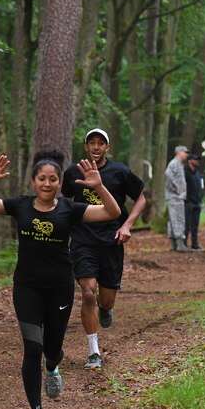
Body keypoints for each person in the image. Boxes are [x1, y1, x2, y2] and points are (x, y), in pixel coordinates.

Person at [0, 149, 120, 409]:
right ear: (33, 182)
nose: (47, 184)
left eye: (53, 179)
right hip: (27, 287)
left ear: (60, 183)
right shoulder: (20, 206)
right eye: (42, 179)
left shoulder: (69, 209)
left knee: (51, 349)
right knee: (32, 348)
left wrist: (99, 186)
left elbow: (112, 212)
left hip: (60, 287)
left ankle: (53, 366)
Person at [61, 128, 147, 370]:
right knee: (88, 293)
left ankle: (106, 308)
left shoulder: (119, 172)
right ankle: (93, 353)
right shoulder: (72, 173)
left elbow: (141, 198)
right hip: (82, 241)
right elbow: (66, 201)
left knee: (106, 301)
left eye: (101, 143)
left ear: (107, 148)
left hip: (111, 242)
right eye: (92, 143)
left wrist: (127, 225)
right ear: (86, 147)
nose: (96, 147)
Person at [164, 145, 190, 252]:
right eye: (185, 152)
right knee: (178, 218)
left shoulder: (179, 164)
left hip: (176, 197)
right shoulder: (174, 163)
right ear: (179, 152)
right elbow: (168, 175)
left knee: (173, 219)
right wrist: (176, 189)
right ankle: (179, 244)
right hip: (175, 197)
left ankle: (173, 244)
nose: (187, 154)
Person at [184, 152, 204, 250]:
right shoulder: (184, 172)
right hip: (188, 202)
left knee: (195, 225)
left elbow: (200, 186)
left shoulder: (197, 173)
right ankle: (184, 243)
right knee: (187, 224)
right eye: (195, 159)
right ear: (189, 161)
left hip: (197, 201)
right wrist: (187, 199)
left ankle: (195, 244)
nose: (197, 161)